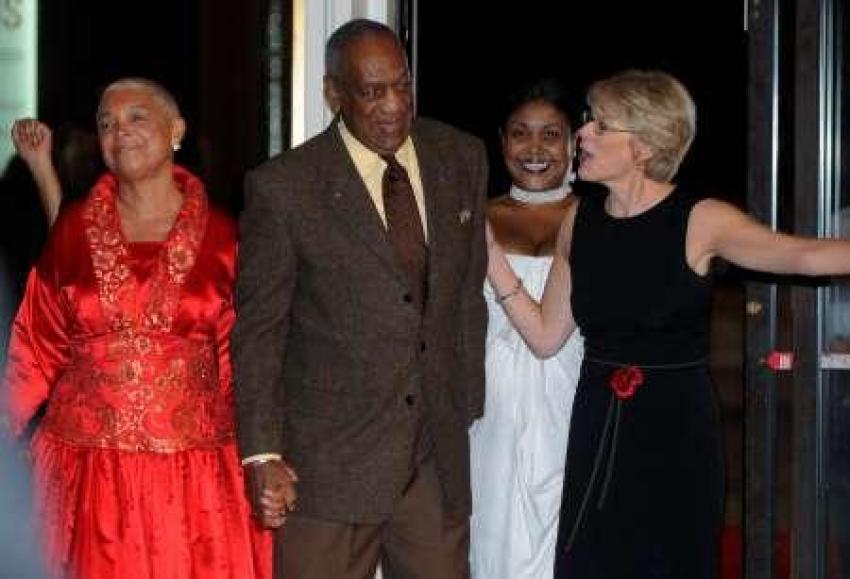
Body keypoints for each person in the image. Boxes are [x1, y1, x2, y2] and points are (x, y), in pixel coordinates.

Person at [486, 69, 850, 579]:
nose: (581, 135)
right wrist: (490, 256)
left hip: (674, 430)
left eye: (598, 126)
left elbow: (806, 258)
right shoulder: (580, 221)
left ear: (641, 145)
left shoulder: (700, 219)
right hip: (596, 426)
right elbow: (546, 337)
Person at [232, 18, 488, 579]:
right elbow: (259, 331)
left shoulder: (459, 157)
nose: (393, 105)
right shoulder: (284, 187)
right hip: (328, 464)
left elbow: (466, 290)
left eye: (403, 85)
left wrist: (463, 401)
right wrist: (262, 454)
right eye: (373, 92)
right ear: (333, 94)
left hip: (432, 460)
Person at [2, 79, 272, 579]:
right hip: (84, 480)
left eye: (135, 117)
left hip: (193, 484)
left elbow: (245, 360)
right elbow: (34, 348)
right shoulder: (73, 230)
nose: (118, 131)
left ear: (176, 130)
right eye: (106, 123)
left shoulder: (225, 236)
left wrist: (262, 455)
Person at [469, 79, 583, 579]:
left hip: (572, 396)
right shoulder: (475, 218)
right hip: (488, 406)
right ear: (502, 141)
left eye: (551, 135)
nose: (535, 149)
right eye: (520, 134)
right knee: (488, 531)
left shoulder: (597, 218)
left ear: (575, 141)